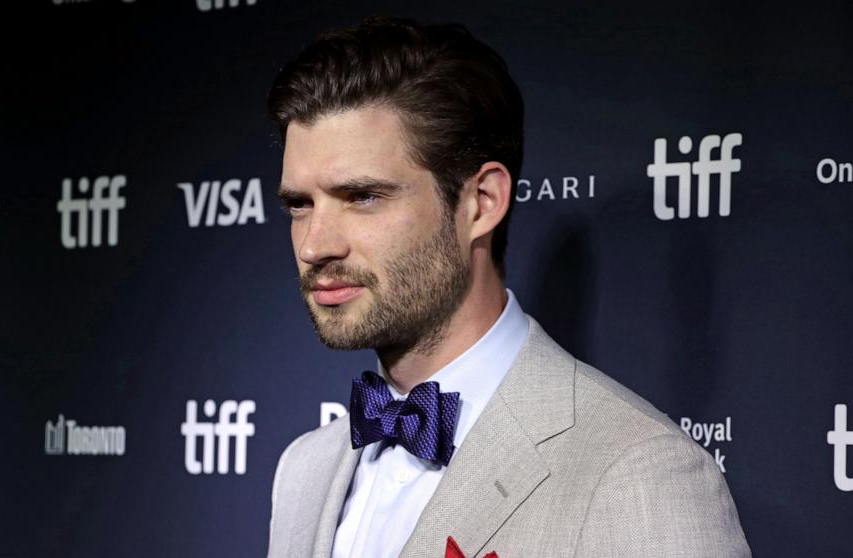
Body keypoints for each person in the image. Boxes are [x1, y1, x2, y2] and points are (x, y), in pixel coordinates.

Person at [265, 16, 750, 558]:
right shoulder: (304, 470)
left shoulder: (638, 475)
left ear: (482, 202)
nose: (314, 245)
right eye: (299, 205)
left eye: (362, 197)